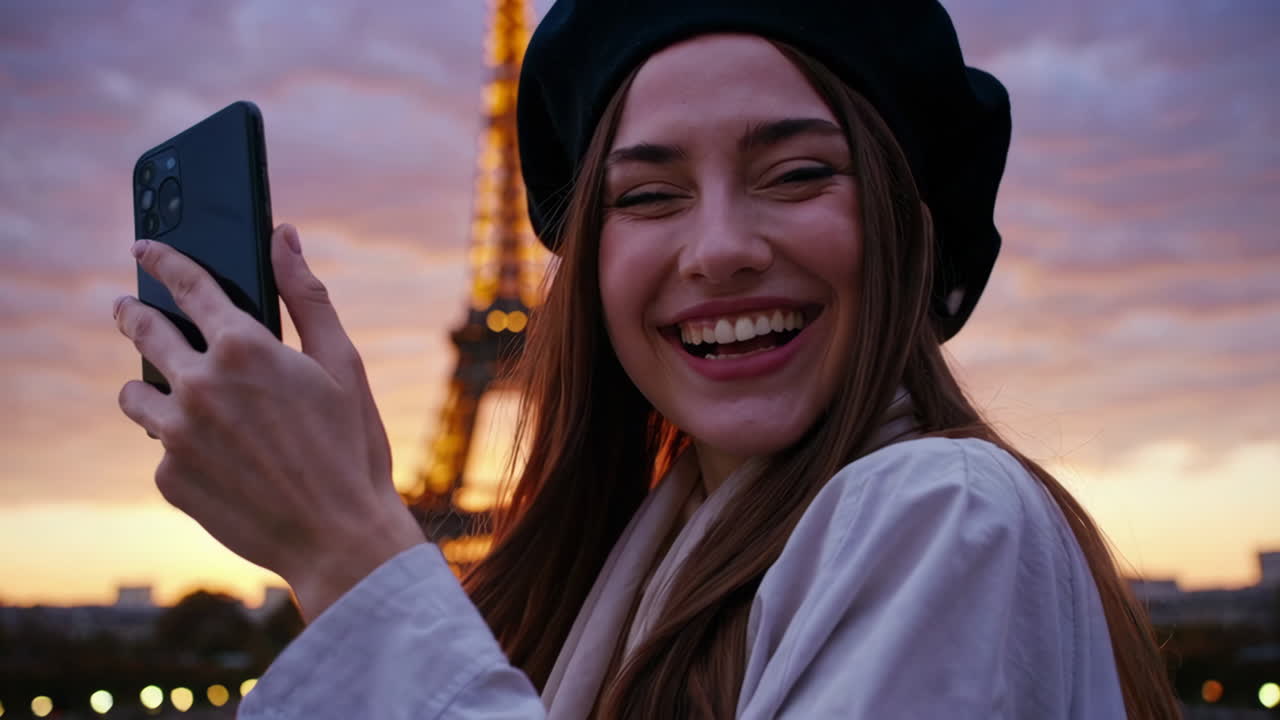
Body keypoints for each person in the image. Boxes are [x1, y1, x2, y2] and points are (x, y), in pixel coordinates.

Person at [112, 1, 1183, 717]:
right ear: (588, 269)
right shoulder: (647, 563)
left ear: (904, 225)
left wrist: (346, 549)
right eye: (646, 195)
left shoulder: (945, 512)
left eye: (798, 173)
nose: (717, 248)